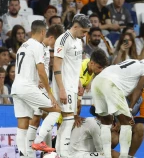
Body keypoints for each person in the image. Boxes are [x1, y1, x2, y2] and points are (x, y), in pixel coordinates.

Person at [11, 20, 62, 156]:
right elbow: (41, 71)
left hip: (16, 87)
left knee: (22, 125)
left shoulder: (23, 46)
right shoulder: (37, 46)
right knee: (56, 109)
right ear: (43, 32)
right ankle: (39, 140)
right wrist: (50, 93)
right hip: (28, 87)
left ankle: (25, 156)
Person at [91, 59, 144, 158]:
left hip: (98, 81)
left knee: (108, 124)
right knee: (124, 124)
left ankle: (112, 155)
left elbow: (143, 118)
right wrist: (128, 111)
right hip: (110, 84)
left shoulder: (132, 66)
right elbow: (93, 110)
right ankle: (123, 156)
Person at [53, 14, 92, 158]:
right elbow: (56, 65)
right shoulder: (63, 40)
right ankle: (63, 153)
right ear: (75, 26)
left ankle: (59, 152)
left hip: (72, 85)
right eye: (84, 31)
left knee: (67, 120)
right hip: (63, 86)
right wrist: (61, 89)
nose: (85, 34)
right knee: (68, 120)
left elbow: (75, 64)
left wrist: (79, 81)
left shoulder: (79, 41)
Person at [26, 25, 64, 158]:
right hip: (36, 89)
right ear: (52, 37)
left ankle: (37, 150)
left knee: (38, 120)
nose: (57, 45)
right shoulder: (38, 47)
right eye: (57, 41)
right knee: (50, 112)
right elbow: (32, 67)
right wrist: (35, 79)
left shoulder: (45, 48)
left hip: (40, 89)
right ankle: (35, 146)